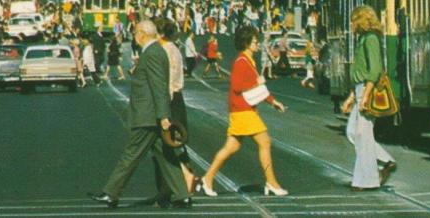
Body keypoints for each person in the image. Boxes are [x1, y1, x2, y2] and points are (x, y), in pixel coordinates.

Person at [89, 20, 191, 209]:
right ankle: (182, 195)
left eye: (136, 32)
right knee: (166, 155)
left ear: (143, 33)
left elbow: (159, 87)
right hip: (153, 114)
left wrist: (163, 117)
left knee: (131, 153)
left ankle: (111, 193)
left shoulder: (152, 53)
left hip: (149, 116)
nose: (134, 36)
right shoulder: (154, 52)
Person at [199, 26, 288, 197]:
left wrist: (272, 101)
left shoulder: (249, 60)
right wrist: (257, 82)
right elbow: (238, 86)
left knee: (231, 147)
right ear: (246, 43)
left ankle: (207, 178)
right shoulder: (241, 61)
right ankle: (271, 182)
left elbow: (258, 88)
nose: (258, 44)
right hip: (242, 110)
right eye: (255, 41)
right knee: (264, 142)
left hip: (242, 110)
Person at [342, 5, 397, 191]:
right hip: (359, 89)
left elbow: (374, 70)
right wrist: (351, 97)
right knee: (353, 132)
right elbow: (361, 71)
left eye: (353, 21)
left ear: (362, 20)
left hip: (367, 90)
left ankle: (367, 180)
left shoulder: (371, 39)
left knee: (363, 135)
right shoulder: (363, 39)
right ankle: (385, 161)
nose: (351, 25)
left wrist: (364, 95)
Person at [156, 19, 197, 195]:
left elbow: (169, 81)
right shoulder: (171, 49)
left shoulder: (167, 50)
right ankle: (172, 186)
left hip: (170, 100)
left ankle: (184, 177)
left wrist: (163, 109)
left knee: (169, 143)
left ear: (161, 34)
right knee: (171, 143)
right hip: (173, 99)